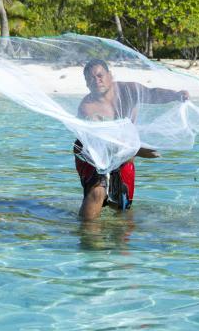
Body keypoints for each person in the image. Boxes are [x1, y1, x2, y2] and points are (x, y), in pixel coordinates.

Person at [75, 59, 189, 220]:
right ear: (87, 83)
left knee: (121, 201)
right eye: (91, 78)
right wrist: (139, 151)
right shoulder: (87, 108)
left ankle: (121, 239)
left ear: (110, 76)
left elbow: (152, 94)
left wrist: (176, 95)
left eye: (100, 75)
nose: (96, 80)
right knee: (97, 192)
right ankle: (88, 237)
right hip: (91, 153)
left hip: (125, 152)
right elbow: (105, 143)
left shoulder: (128, 90)